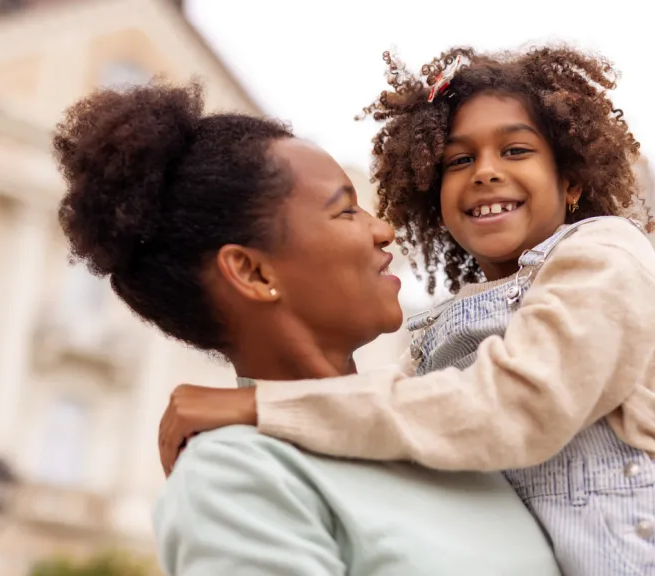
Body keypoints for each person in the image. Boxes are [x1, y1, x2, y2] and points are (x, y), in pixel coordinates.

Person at [157, 46, 655, 575]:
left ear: (571, 182)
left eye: (515, 150)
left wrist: (256, 407)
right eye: (459, 161)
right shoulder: (443, 335)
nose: (485, 172)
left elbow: (515, 403)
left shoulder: (602, 255)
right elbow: (394, 407)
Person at [53, 81, 560, 575]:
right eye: (345, 211)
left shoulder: (442, 419)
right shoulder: (237, 477)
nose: (382, 230)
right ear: (253, 272)